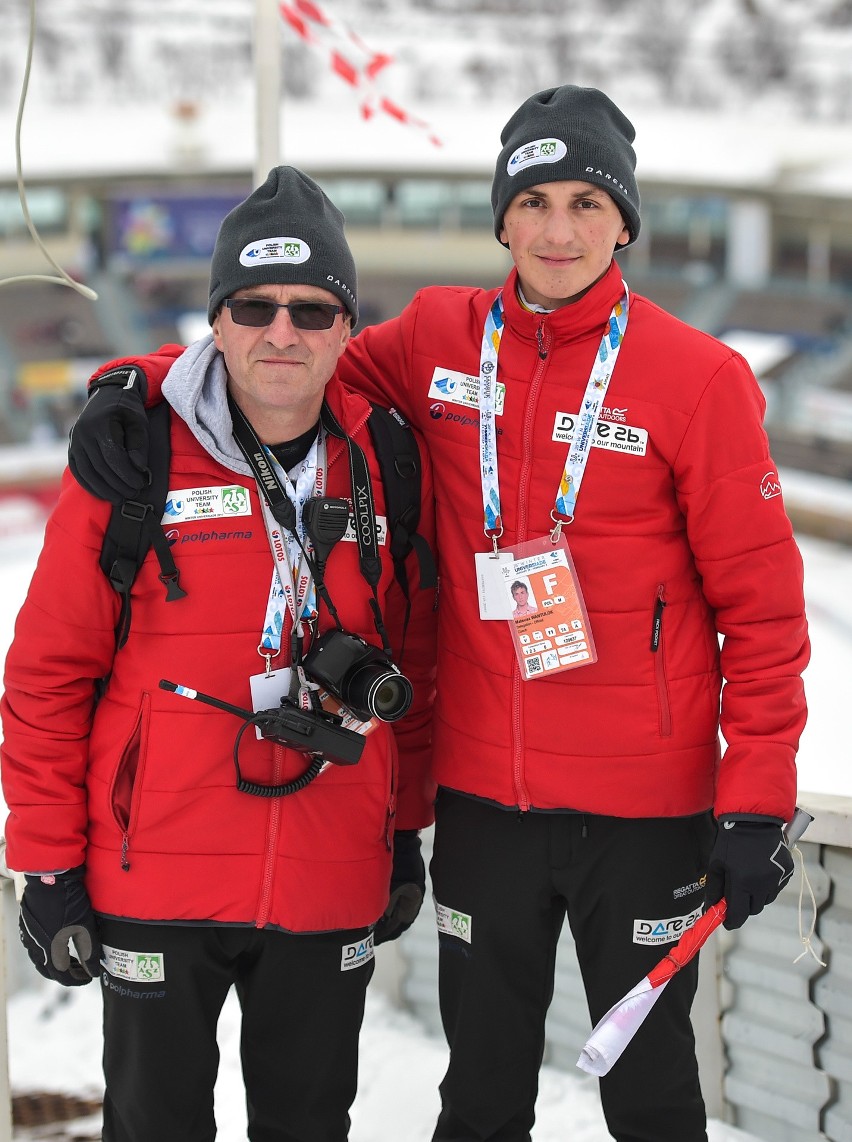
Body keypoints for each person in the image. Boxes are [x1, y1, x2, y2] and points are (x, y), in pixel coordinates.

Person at [65, 86, 809, 1142]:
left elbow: (767, 615)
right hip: (483, 809)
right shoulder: (434, 339)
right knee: (482, 1093)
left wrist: (757, 798)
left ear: (624, 222)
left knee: (650, 1096)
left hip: (646, 814)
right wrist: (130, 380)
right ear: (501, 217)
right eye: (536, 200)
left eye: (588, 203)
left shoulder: (701, 379)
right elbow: (276, 370)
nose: (559, 229)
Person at [1, 165, 437, 1142]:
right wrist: (45, 863)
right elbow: (46, 675)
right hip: (152, 876)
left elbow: (417, 664)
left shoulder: (385, 463)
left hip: (329, 871)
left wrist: (401, 831)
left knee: (310, 1124)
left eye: (313, 308)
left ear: (345, 325)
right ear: (218, 318)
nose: (282, 331)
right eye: (254, 305)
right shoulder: (134, 452)